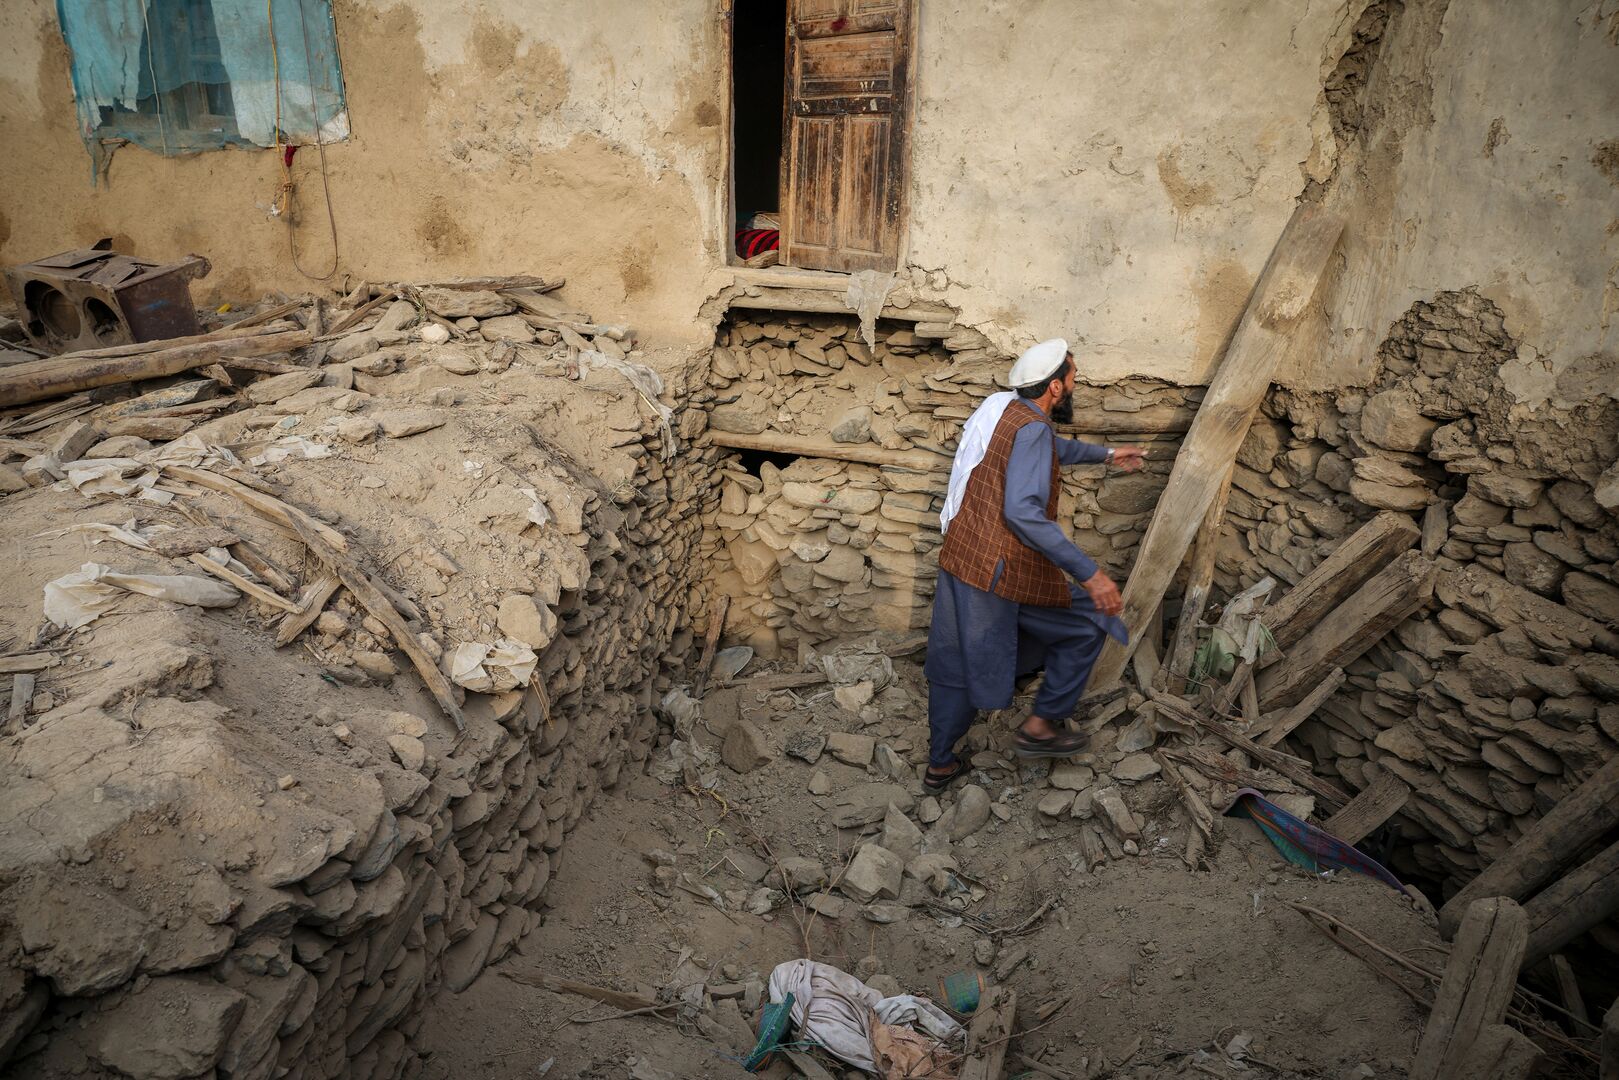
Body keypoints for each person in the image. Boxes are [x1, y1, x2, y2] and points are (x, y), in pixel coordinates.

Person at [922, 339, 1145, 791]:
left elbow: (1048, 451)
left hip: (963, 557)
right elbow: (1022, 511)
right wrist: (1091, 573)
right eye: (1074, 379)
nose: (1075, 386)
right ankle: (1040, 727)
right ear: (1056, 388)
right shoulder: (1032, 430)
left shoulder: (1005, 409)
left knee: (957, 658)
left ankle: (940, 762)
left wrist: (1106, 454)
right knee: (1088, 622)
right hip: (999, 571)